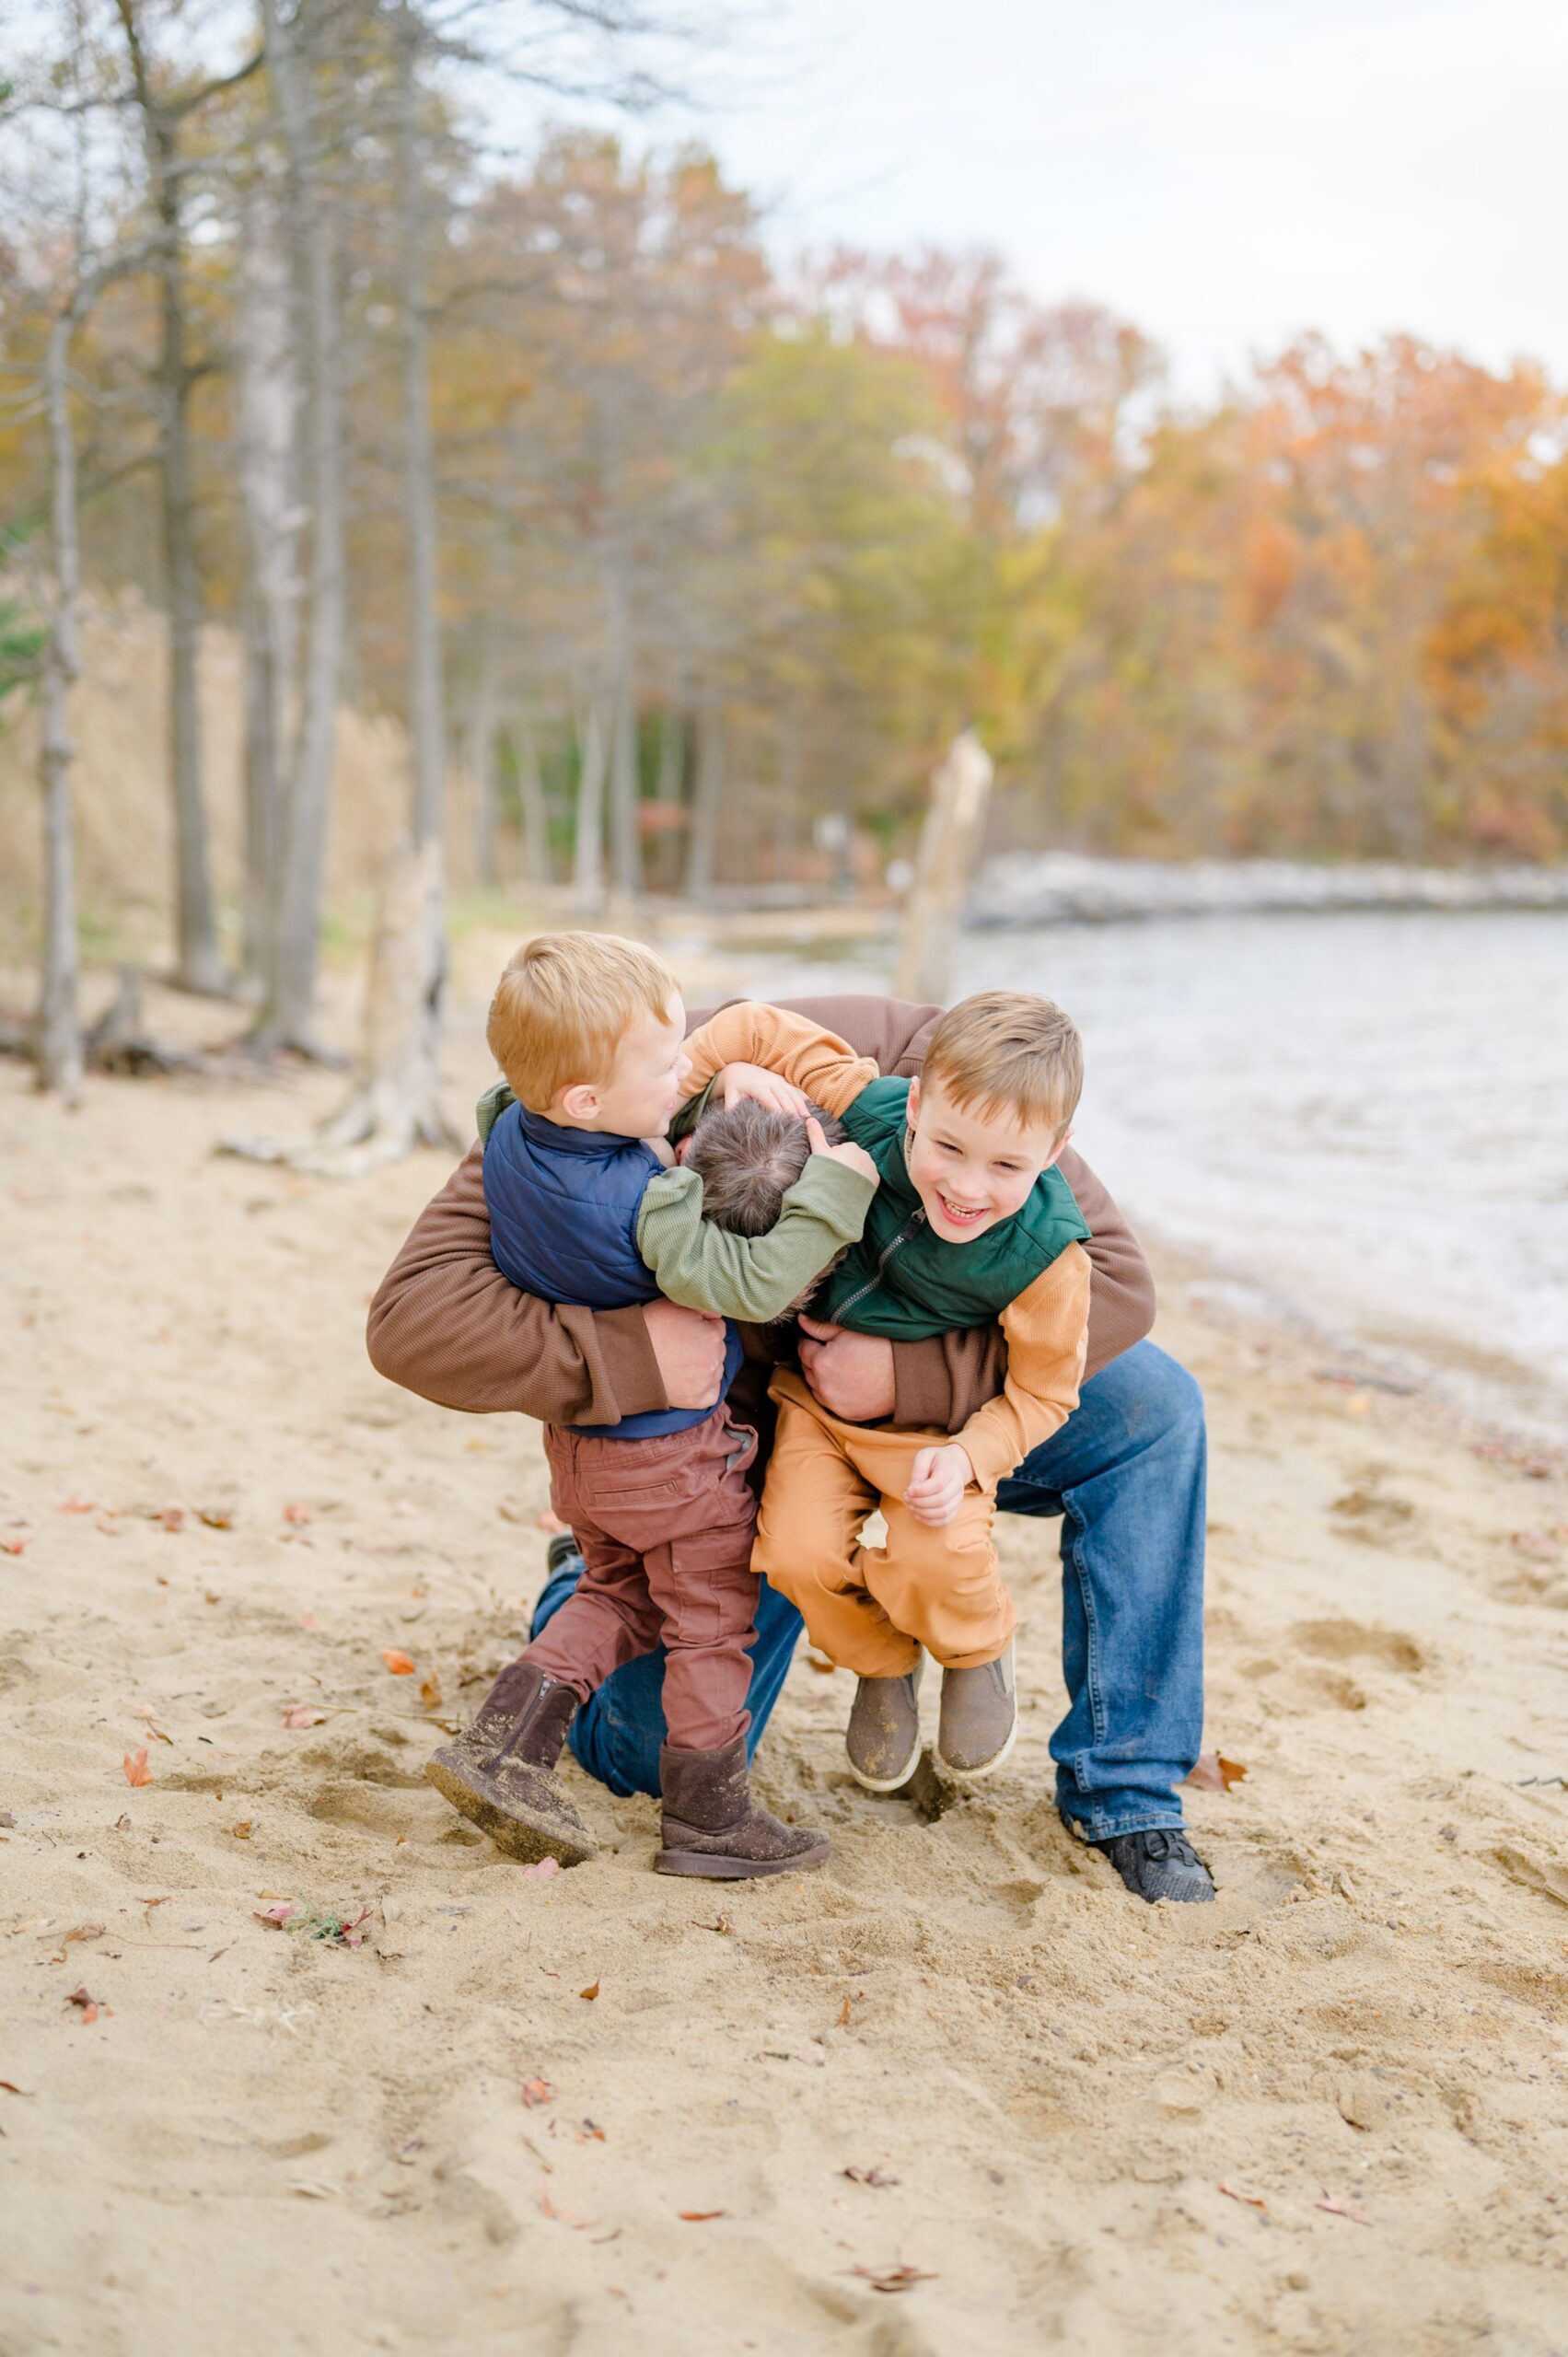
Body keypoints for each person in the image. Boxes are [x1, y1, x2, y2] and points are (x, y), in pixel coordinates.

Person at [367, 993, 1214, 1906]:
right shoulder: (597, 1098)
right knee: (642, 1760)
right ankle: (592, 1572)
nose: (777, 1291)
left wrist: (908, 1377)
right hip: (737, 1441)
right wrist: (632, 1352)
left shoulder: (955, 1088)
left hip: (922, 1395)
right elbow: (412, 1321)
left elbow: (1119, 1287)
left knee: (1153, 1407)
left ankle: (1124, 1792)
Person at [426, 935, 877, 1879]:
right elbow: (747, 1283)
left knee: (615, 1593)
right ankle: (709, 1818)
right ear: (588, 1100)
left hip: (584, 1455)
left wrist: (724, 1069)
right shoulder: (649, 1197)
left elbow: (521, 1097)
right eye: (669, 1061)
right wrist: (838, 1186)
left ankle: (505, 1743)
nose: (689, 1066)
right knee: (711, 1624)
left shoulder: (507, 1126)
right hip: (671, 1461)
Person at [679, 993, 1091, 1795]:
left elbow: (1046, 1394)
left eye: (1006, 1165)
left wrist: (972, 1453)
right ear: (915, 1101)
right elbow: (755, 1025)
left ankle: (977, 1649)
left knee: (935, 1554)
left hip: (936, 1433)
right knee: (794, 1552)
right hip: (815, 1411)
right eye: (946, 1145)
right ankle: (880, 1662)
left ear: (1056, 1149)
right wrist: (702, 1081)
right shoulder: (870, 1105)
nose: (967, 1187)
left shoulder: (1049, 1255)